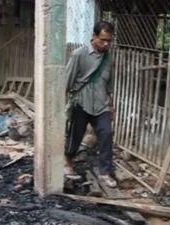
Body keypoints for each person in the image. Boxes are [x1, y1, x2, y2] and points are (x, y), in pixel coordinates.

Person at [65, 21, 116, 188]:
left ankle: (105, 172)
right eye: (103, 40)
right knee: (75, 134)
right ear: (94, 36)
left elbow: (109, 84)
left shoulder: (109, 58)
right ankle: (67, 161)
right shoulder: (79, 54)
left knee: (107, 134)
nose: (106, 44)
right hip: (82, 101)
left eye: (109, 40)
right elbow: (67, 81)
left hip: (101, 103)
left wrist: (112, 104)